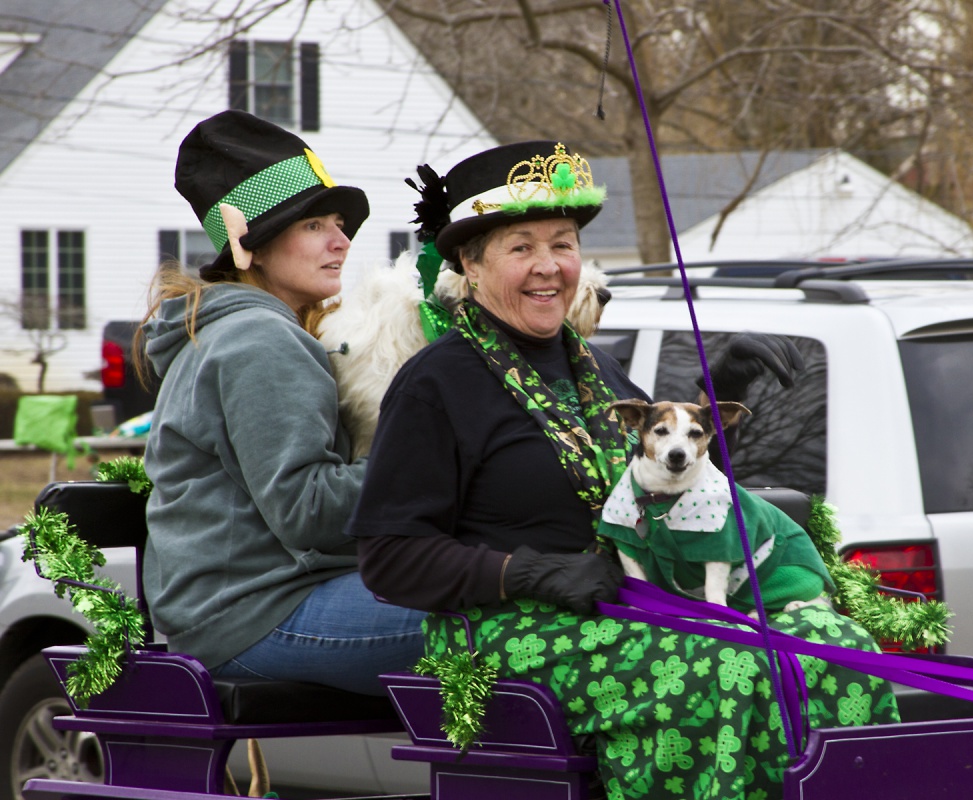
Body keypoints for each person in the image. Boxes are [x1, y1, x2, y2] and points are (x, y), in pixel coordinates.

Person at [348, 141, 899, 798]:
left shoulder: (596, 369)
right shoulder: (435, 385)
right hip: (510, 632)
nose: (548, 267)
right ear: (469, 262)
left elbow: (658, 474)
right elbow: (387, 555)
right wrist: (527, 571)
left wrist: (717, 395)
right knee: (720, 666)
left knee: (834, 646)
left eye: (563, 243)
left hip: (637, 601)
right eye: (521, 247)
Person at [135, 110, 425, 696]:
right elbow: (309, 511)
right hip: (257, 614)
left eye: (339, 223)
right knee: (504, 623)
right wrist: (426, 464)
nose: (341, 241)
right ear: (252, 248)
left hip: (244, 603)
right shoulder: (260, 340)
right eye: (314, 225)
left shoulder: (234, 329)